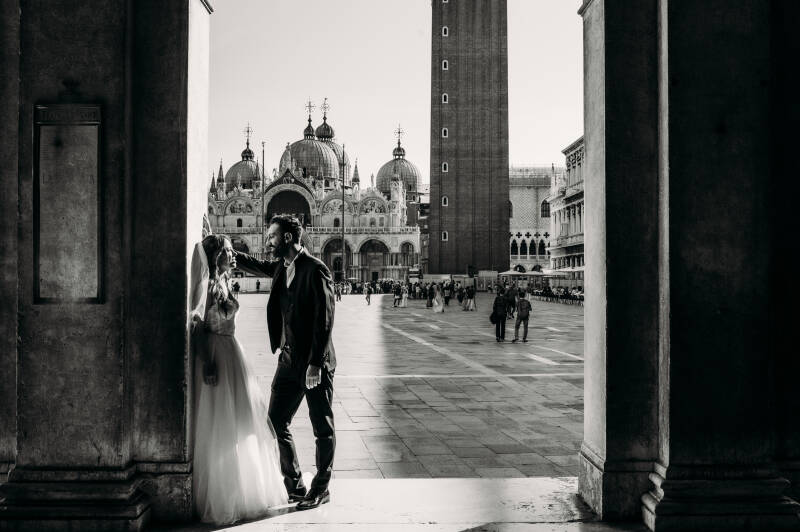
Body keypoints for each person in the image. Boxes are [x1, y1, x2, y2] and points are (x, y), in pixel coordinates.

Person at [234, 215, 337, 511]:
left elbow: (325, 319)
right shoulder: (281, 266)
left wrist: (316, 363)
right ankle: (295, 485)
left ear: (288, 238)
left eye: (272, 236)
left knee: (322, 427)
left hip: (314, 364)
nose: (268, 241)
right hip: (289, 360)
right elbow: (253, 264)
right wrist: (224, 247)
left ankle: (321, 488)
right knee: (275, 422)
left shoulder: (316, 269)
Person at [190, 235, 287, 525]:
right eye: (229, 252)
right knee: (221, 423)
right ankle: (223, 494)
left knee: (240, 423)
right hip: (217, 355)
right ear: (215, 256)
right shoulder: (208, 286)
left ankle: (240, 488)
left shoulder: (224, 282)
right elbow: (196, 325)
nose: (235, 256)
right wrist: (207, 361)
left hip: (232, 353)